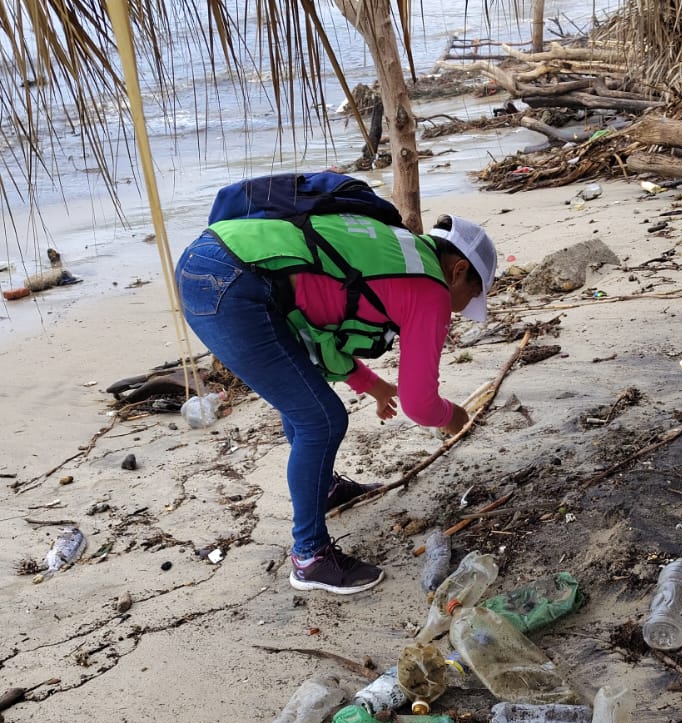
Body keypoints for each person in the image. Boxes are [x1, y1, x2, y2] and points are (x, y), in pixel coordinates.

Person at [174, 206, 497, 595]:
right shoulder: (431, 289)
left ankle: (323, 490)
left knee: (305, 401)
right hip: (235, 286)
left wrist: (373, 386)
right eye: (472, 294)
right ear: (458, 270)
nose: (463, 307)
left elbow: (321, 324)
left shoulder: (400, 247)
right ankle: (309, 558)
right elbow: (420, 404)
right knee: (321, 419)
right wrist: (454, 415)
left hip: (209, 258)